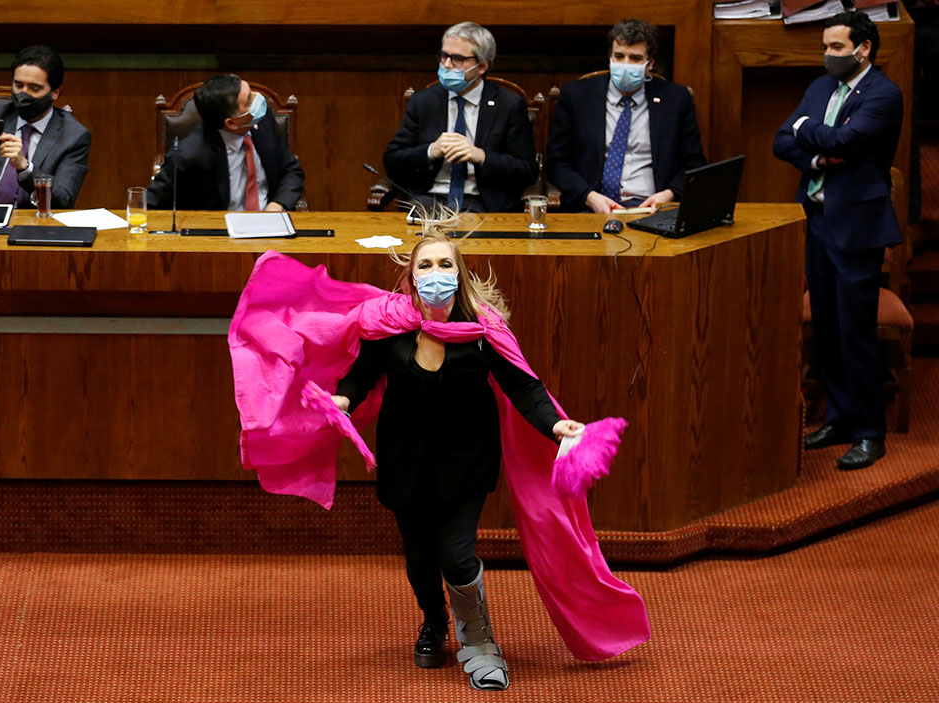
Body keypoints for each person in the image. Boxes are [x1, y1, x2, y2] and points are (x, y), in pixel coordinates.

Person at [227, 231, 651, 692]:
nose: (435, 275)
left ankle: (479, 640)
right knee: (419, 559)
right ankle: (434, 622)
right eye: (425, 266)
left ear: (460, 274)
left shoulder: (484, 332)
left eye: (445, 265)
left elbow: (525, 387)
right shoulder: (386, 327)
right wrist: (343, 401)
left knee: (455, 552)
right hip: (404, 459)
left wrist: (555, 426)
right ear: (410, 277)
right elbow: (360, 376)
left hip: (466, 461)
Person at [773, 11, 903, 470]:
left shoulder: (884, 94)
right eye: (825, 47)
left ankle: (870, 432)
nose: (827, 56)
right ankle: (842, 417)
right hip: (819, 220)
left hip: (857, 228)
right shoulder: (821, 87)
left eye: (837, 48)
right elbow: (779, 142)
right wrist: (818, 158)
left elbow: (845, 140)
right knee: (827, 328)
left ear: (863, 48)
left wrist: (807, 133)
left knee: (856, 332)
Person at [545, 18, 706, 213]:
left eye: (635, 59)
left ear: (650, 64)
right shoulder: (577, 96)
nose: (625, 65)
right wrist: (589, 196)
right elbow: (556, 163)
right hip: (591, 207)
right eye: (619, 56)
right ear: (610, 58)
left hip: (653, 207)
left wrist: (669, 194)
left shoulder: (675, 100)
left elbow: (694, 163)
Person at [382, 22, 538, 213]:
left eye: (457, 59)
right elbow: (392, 161)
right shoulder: (423, 101)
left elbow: (527, 171)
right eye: (443, 56)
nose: (446, 64)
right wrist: (431, 150)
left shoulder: (509, 105)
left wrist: (481, 156)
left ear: (482, 66)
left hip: (484, 204)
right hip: (428, 200)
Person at [147, 74, 304, 211]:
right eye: (249, 100)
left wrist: (277, 204)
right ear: (232, 123)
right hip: (220, 235)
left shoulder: (263, 122)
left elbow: (291, 170)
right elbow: (151, 205)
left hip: (271, 226)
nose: (259, 99)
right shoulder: (188, 157)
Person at [0, 45, 91, 209]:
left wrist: (25, 167)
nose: (23, 94)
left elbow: (63, 200)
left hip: (31, 223)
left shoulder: (73, 136)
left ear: (55, 93)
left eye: (34, 88)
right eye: (18, 85)